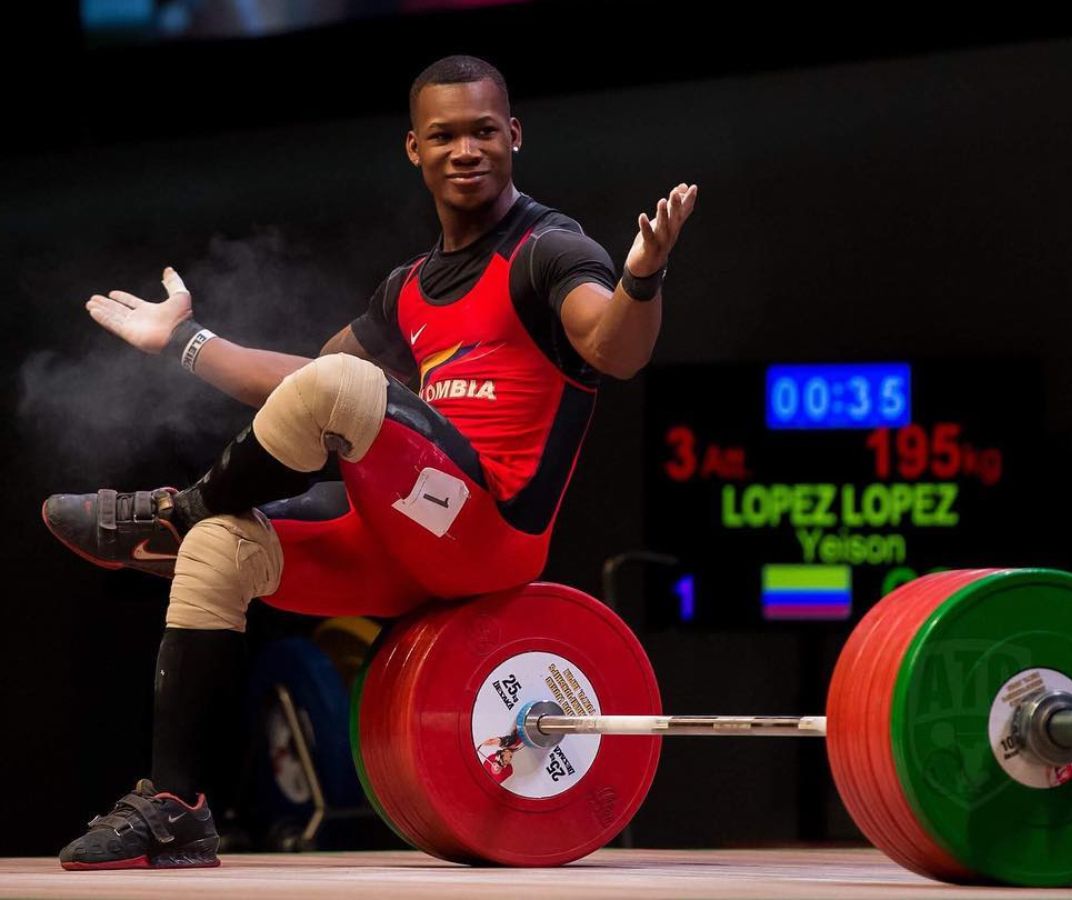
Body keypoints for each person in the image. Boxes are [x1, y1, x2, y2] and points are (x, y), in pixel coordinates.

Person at [43, 54, 698, 870]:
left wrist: (643, 278)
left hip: (489, 532)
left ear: (515, 136)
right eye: (446, 135)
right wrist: (182, 340)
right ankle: (176, 807)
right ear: (413, 149)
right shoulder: (410, 288)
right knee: (223, 550)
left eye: (485, 131)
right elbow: (302, 386)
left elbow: (612, 347)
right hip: (403, 543)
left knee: (332, 398)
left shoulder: (550, 251)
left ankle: (175, 511)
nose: (467, 149)